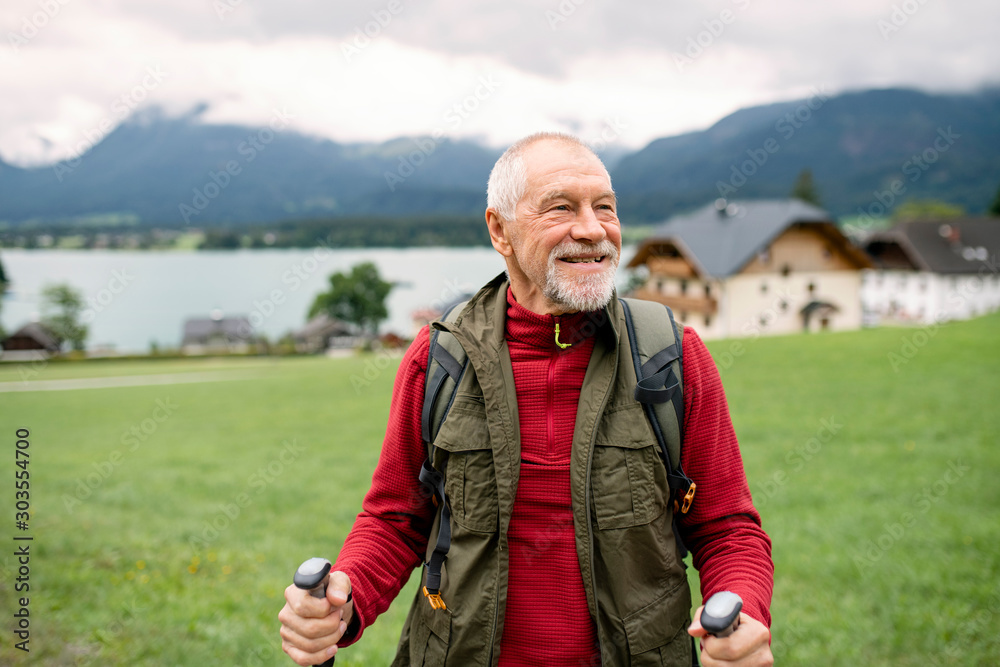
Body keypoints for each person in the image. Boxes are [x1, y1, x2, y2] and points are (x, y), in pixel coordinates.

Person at [279, 133, 774, 666]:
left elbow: (727, 528)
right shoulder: (439, 358)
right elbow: (395, 519)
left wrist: (741, 609)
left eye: (604, 207)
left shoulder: (670, 355)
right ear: (501, 230)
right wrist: (342, 600)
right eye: (561, 208)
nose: (592, 230)